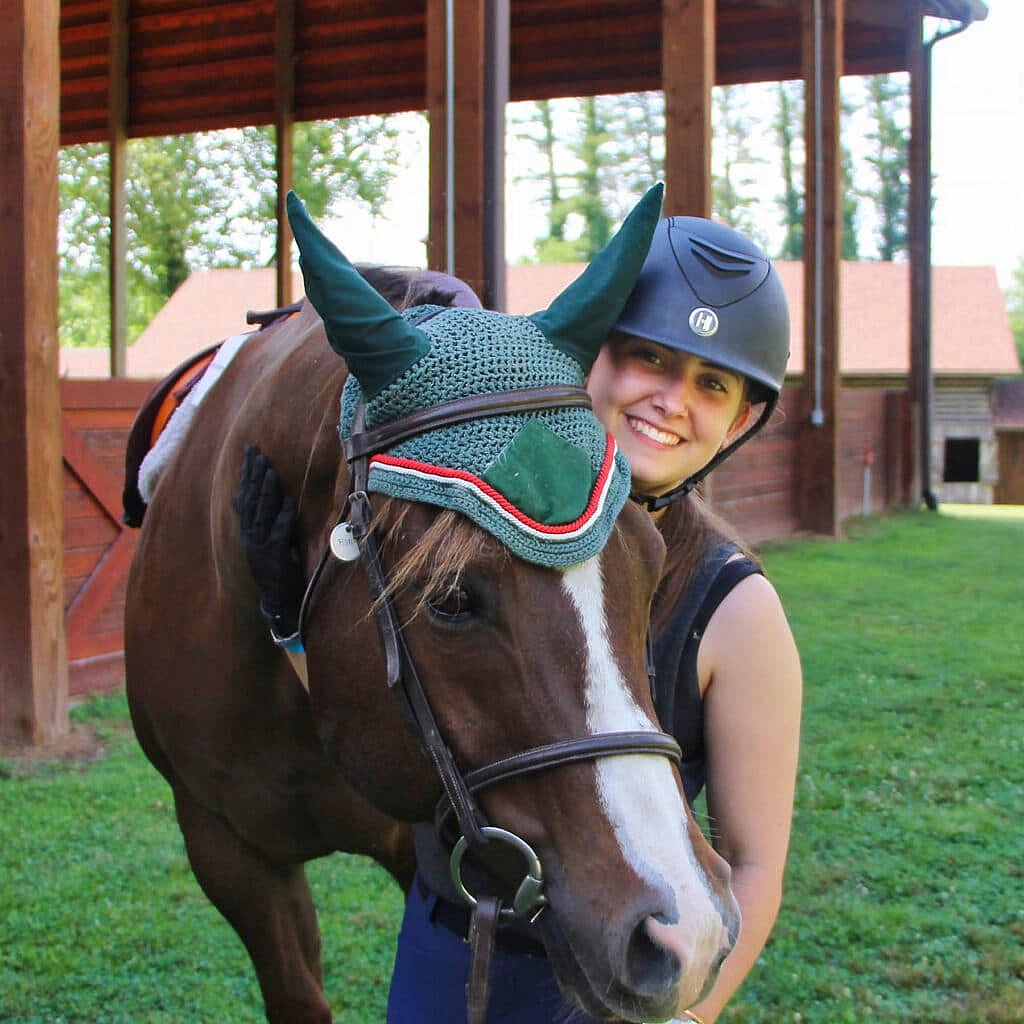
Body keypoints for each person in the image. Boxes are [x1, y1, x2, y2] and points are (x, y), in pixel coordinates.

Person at [234, 217, 802, 1024]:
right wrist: (292, 623)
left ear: (741, 420)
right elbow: (401, 735)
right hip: (444, 944)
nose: (672, 400)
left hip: (606, 972)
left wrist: (687, 1013)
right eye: (649, 357)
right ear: (587, 355)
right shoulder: (476, 531)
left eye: (713, 384)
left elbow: (754, 863)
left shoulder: (736, 608)